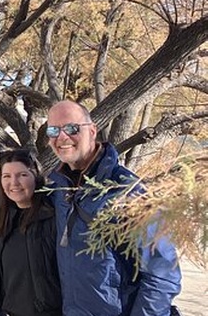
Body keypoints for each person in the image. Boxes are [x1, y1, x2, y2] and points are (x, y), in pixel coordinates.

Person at [46, 100, 182, 316]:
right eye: (53, 130)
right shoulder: (59, 189)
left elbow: (163, 274)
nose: (62, 137)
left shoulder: (127, 191)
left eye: (71, 128)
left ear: (92, 131)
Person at [0, 149, 62, 316]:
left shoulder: (53, 218)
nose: (14, 182)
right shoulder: (7, 219)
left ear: (36, 177)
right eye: (6, 176)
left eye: (22, 175)